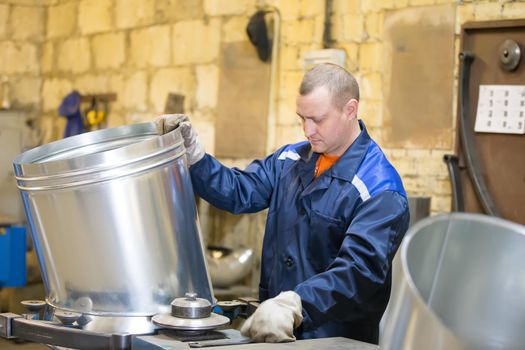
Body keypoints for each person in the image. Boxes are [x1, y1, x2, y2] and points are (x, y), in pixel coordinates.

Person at [154, 63, 410, 344]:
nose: (307, 130)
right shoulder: (290, 161)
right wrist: (196, 159)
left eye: (317, 119)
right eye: (302, 118)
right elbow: (239, 190)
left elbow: (358, 272)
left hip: (333, 340)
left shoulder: (379, 189)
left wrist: (297, 304)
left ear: (350, 110)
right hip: (276, 334)